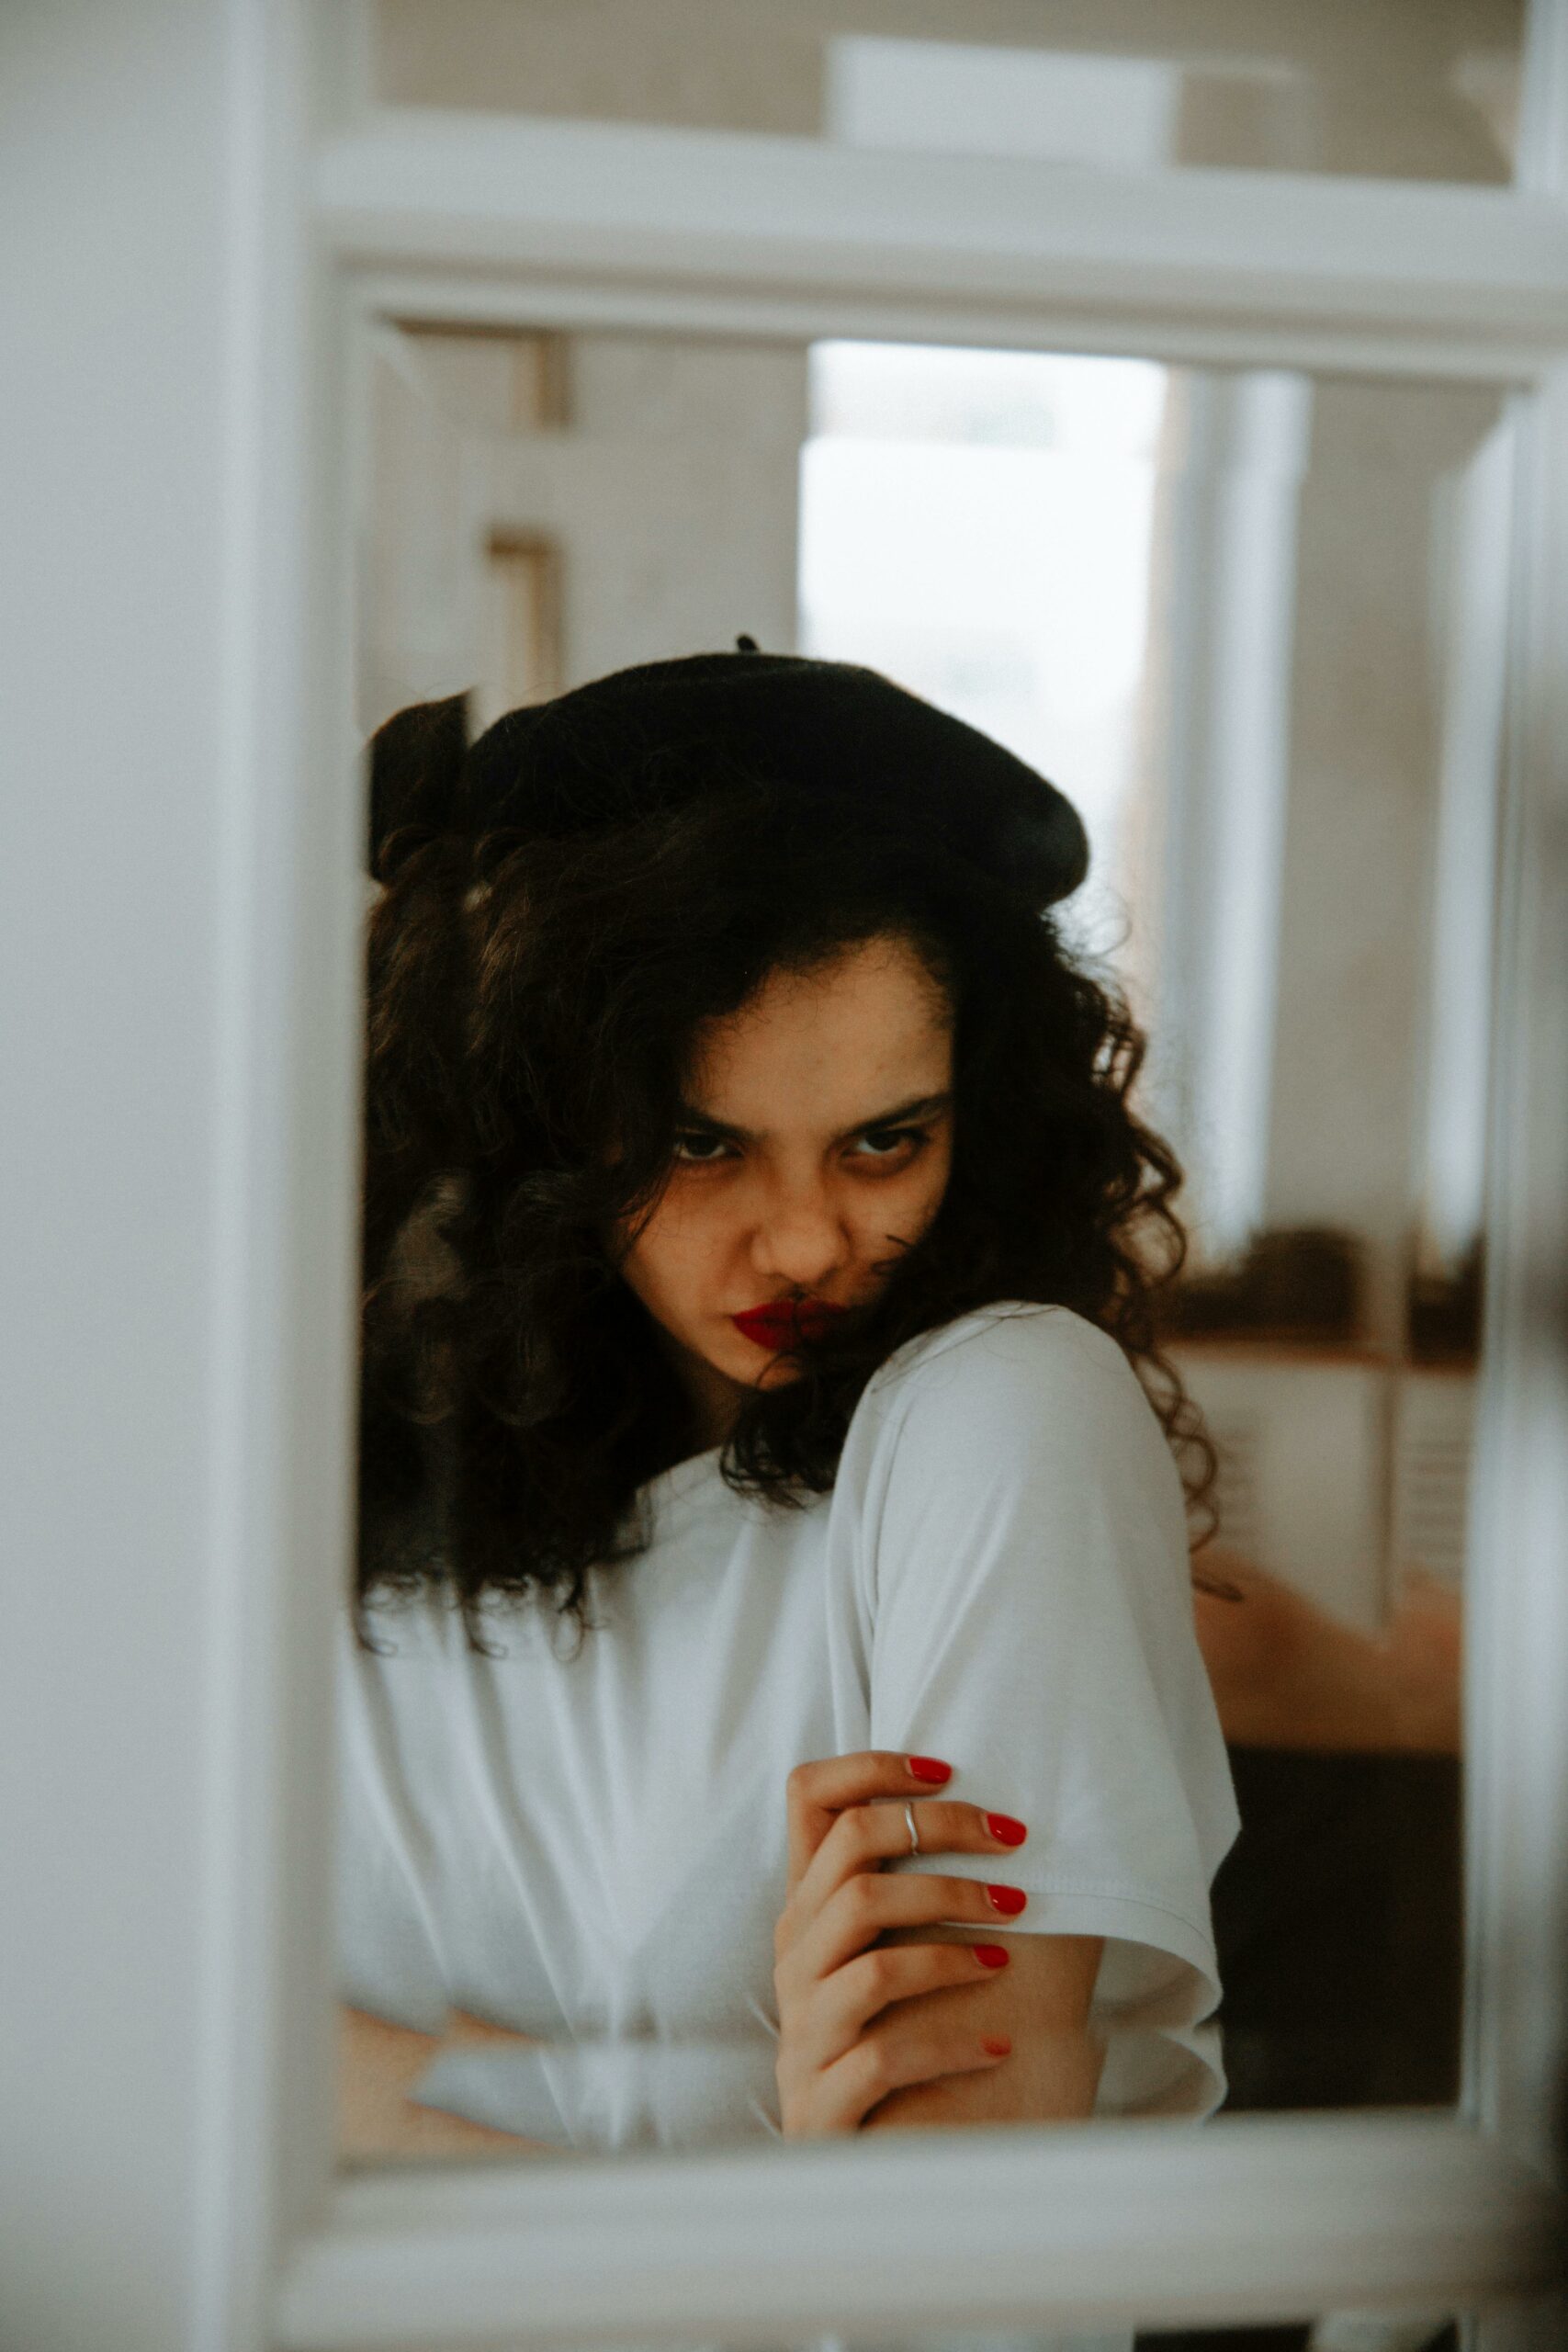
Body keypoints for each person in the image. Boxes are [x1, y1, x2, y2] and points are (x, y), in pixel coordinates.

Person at [337, 642, 1240, 2173]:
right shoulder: (360, 1474)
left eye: (886, 1142)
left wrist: (445, 2103)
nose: (811, 1241)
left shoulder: (998, 1425)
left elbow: (958, 2262)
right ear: (544, 1130)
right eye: (701, 1145)